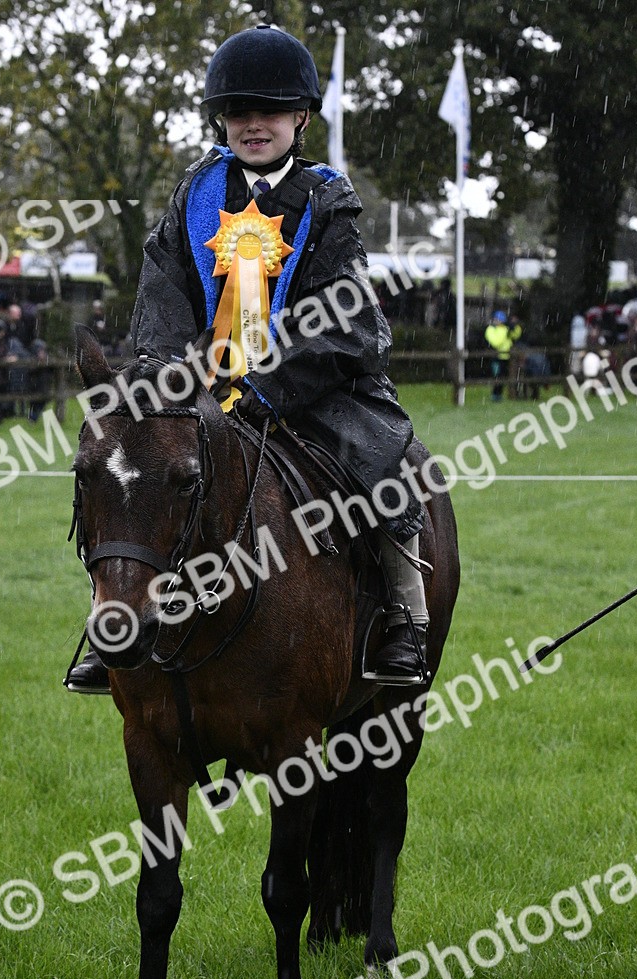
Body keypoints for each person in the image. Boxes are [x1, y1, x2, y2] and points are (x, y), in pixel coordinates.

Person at [66, 24, 429, 695]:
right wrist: (167, 373)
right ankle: (108, 621)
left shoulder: (327, 201)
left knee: (386, 459)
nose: (253, 125)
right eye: (239, 113)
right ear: (222, 120)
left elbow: (348, 319)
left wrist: (268, 384)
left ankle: (406, 612)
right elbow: (164, 289)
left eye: (269, 113)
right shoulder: (195, 193)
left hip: (313, 384)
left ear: (301, 117)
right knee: (126, 469)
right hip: (199, 383)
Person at [484, 310, 521, 400]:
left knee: (505, 376)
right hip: (496, 357)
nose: (498, 321)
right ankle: (496, 395)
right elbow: (496, 343)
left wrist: (515, 327)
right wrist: (505, 331)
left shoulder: (505, 329)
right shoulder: (491, 329)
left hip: (507, 357)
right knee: (497, 376)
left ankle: (506, 395)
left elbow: (516, 335)